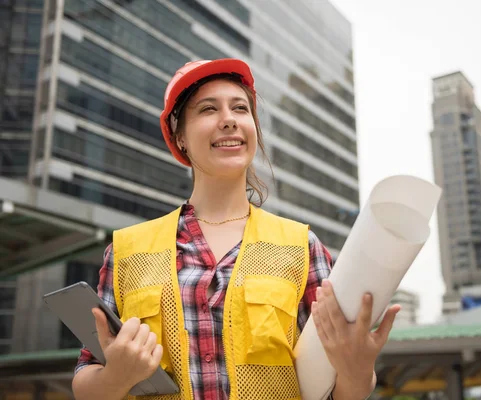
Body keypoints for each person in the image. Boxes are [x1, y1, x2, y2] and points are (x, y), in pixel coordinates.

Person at [71, 58, 400, 400]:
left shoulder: (302, 246)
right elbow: (86, 379)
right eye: (208, 109)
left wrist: (357, 370)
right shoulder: (127, 252)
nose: (228, 120)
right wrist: (116, 377)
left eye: (240, 108)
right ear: (179, 135)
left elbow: (333, 389)